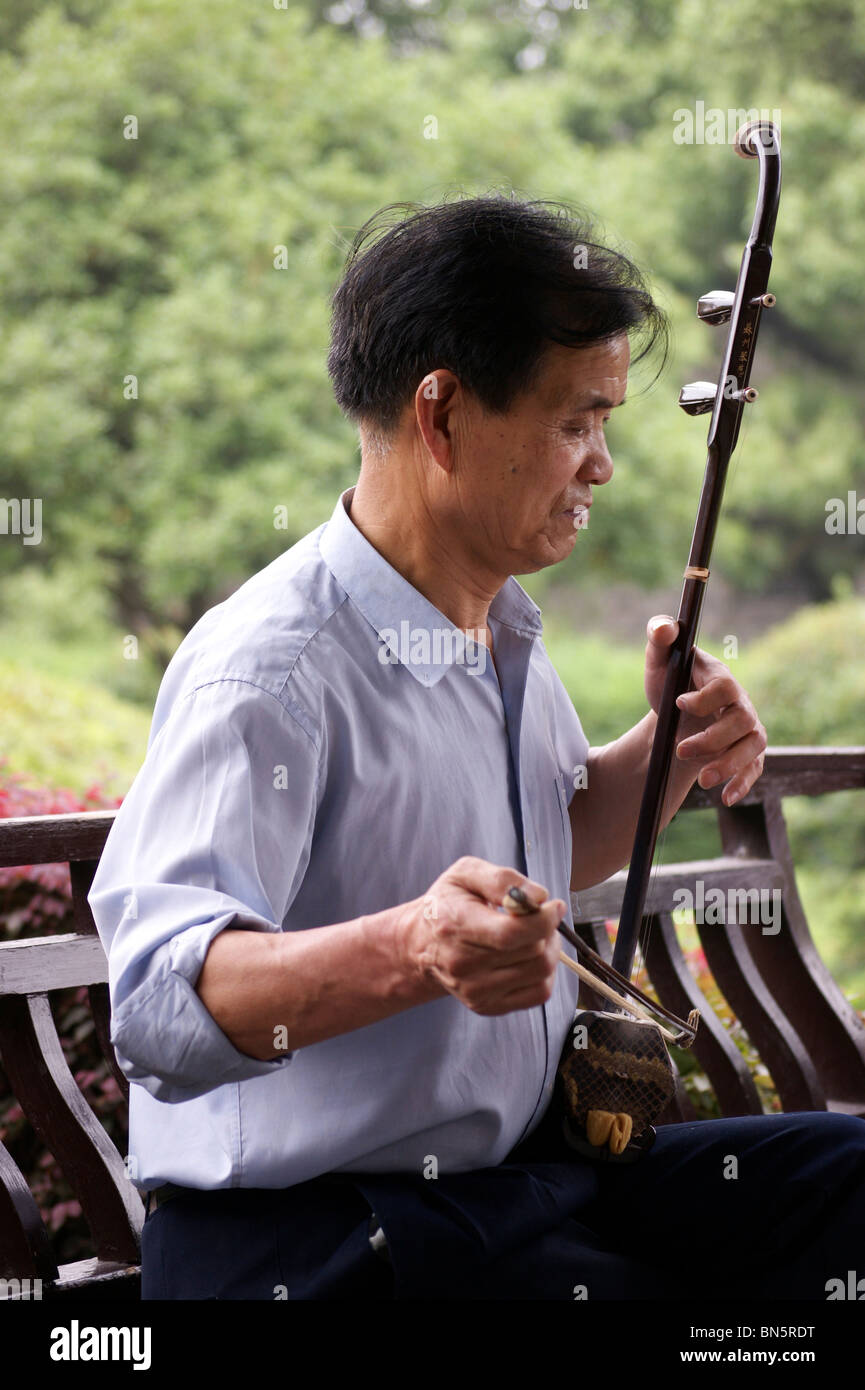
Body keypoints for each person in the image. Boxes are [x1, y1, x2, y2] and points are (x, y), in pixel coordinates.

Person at [88, 195, 865, 1301]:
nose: (601, 465)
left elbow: (548, 846)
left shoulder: (491, 629)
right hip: (314, 1237)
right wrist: (415, 947)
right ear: (441, 414)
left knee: (845, 1176)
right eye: (575, 422)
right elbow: (161, 1007)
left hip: (507, 1191)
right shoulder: (271, 668)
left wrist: (669, 751)